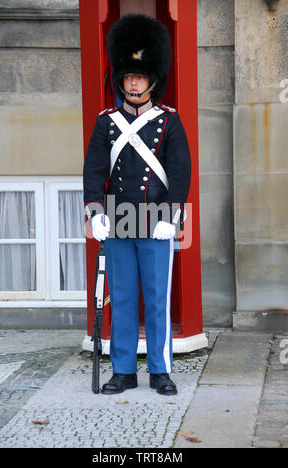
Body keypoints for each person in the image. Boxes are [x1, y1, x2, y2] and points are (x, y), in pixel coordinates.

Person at [83, 14, 191, 395]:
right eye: (128, 76)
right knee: (124, 298)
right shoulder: (106, 123)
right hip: (119, 222)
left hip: (157, 221)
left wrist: (174, 214)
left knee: (158, 300)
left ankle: (160, 370)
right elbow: (94, 169)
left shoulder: (169, 122)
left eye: (139, 76)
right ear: (121, 79)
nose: (133, 82)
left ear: (151, 80)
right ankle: (124, 370)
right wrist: (95, 212)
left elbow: (180, 172)